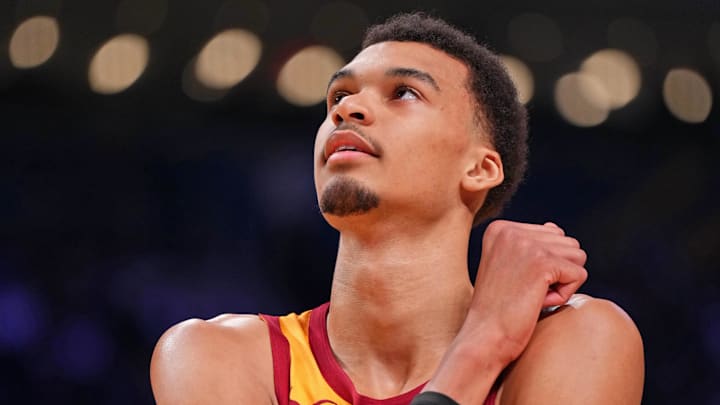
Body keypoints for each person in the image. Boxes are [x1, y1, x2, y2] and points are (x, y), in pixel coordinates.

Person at [150, 12, 644, 405]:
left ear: (480, 168)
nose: (346, 109)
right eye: (339, 96)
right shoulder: (210, 355)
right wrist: (481, 345)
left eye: (404, 92)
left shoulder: (580, 339)